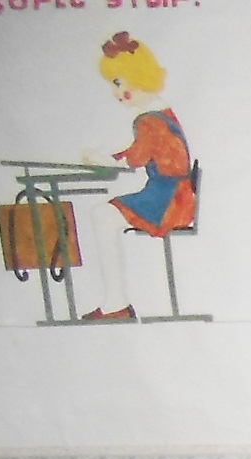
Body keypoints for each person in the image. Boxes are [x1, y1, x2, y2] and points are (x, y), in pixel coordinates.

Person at [81, 32, 198, 323]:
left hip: (167, 201)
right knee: (104, 214)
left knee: (102, 215)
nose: (115, 93)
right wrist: (112, 156)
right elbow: (141, 151)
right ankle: (115, 302)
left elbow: (135, 158)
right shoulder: (160, 113)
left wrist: (101, 159)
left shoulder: (148, 120)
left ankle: (116, 303)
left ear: (137, 77)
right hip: (174, 195)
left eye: (118, 83)